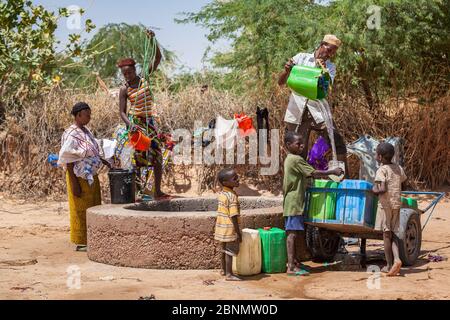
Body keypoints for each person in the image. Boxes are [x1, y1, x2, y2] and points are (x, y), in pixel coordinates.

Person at [278, 34, 349, 177]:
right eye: (329, 50)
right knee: (298, 150)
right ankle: (300, 184)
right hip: (297, 111)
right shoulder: (301, 58)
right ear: (322, 45)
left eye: (333, 52)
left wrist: (322, 70)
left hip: (317, 111)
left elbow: (326, 89)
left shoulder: (330, 67)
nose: (330, 55)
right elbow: (281, 82)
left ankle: (343, 178)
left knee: (336, 140)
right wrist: (287, 70)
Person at [117, 29, 168, 200]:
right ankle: (139, 192)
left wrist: (153, 40)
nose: (127, 75)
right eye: (124, 73)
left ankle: (158, 191)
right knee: (139, 159)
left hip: (150, 123)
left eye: (129, 72)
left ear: (134, 70)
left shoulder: (145, 77)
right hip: (136, 123)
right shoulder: (124, 89)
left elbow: (158, 58)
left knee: (157, 156)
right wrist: (130, 125)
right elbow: (122, 112)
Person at [283, 131, 343, 275]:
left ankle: (294, 261)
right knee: (292, 234)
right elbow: (314, 173)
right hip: (294, 202)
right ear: (288, 145)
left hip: (293, 201)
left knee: (295, 233)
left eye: (302, 143)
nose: (302, 146)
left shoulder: (290, 159)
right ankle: (291, 266)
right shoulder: (296, 159)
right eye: (298, 144)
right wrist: (332, 171)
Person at [58, 102, 109, 252]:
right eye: (87, 114)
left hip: (90, 176)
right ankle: (81, 241)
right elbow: (68, 159)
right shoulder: (72, 133)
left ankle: (92, 238)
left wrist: (105, 160)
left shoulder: (85, 131)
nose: (89, 117)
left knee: (93, 206)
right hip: (78, 177)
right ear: (79, 115)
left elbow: (92, 150)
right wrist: (74, 184)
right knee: (80, 208)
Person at [372, 142, 407, 277]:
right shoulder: (398, 168)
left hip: (385, 206)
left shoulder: (382, 170)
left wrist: (373, 189)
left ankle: (389, 264)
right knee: (392, 233)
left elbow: (382, 189)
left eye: (375, 153)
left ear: (380, 157)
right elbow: (404, 183)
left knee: (386, 235)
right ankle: (397, 260)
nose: (375, 156)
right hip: (396, 204)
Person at [214, 168, 242, 281]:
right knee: (230, 251)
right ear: (226, 183)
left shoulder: (222, 194)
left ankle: (224, 270)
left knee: (224, 250)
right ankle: (229, 274)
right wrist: (238, 232)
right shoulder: (232, 197)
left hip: (221, 228)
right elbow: (234, 215)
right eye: (234, 178)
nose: (238, 179)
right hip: (230, 228)